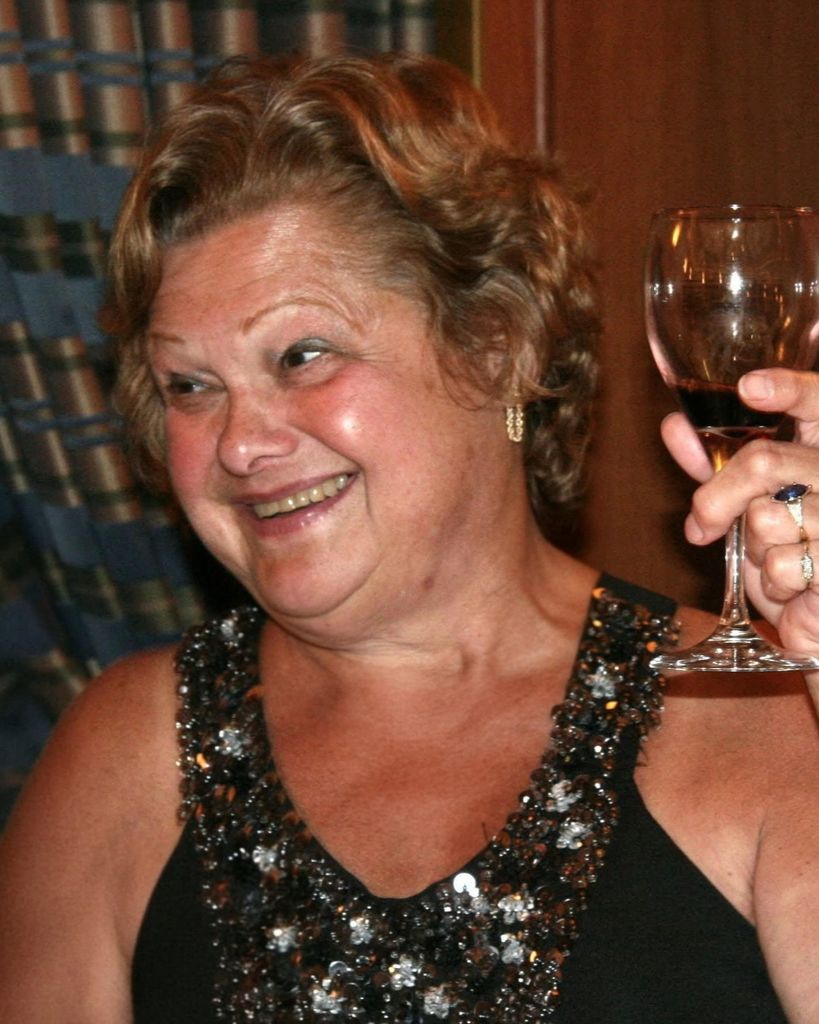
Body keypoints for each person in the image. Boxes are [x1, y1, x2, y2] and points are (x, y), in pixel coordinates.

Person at [1, 52, 819, 1024]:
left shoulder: (768, 717)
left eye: (302, 355)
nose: (239, 443)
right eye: (190, 385)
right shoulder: (124, 755)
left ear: (498, 345)